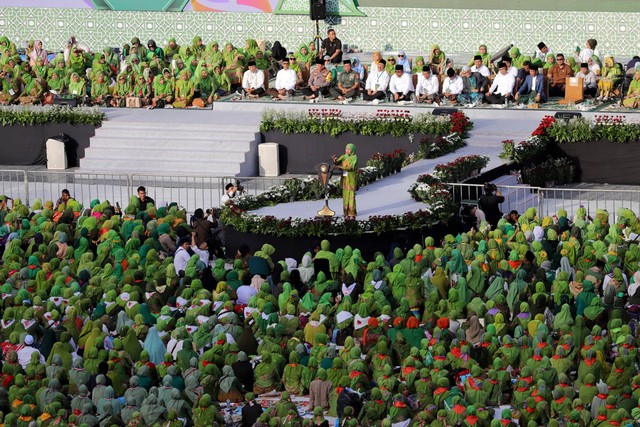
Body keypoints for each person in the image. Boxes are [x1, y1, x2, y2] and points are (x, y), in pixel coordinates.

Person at [332, 143, 358, 219]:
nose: (347, 150)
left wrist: (340, 167)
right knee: (345, 195)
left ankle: (352, 212)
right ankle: (346, 212)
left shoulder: (354, 157)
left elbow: (351, 167)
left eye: (349, 149)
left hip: (351, 178)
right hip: (344, 179)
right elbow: (337, 162)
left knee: (351, 195)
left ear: (352, 150)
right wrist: (335, 160)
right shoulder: (344, 156)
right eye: (346, 149)